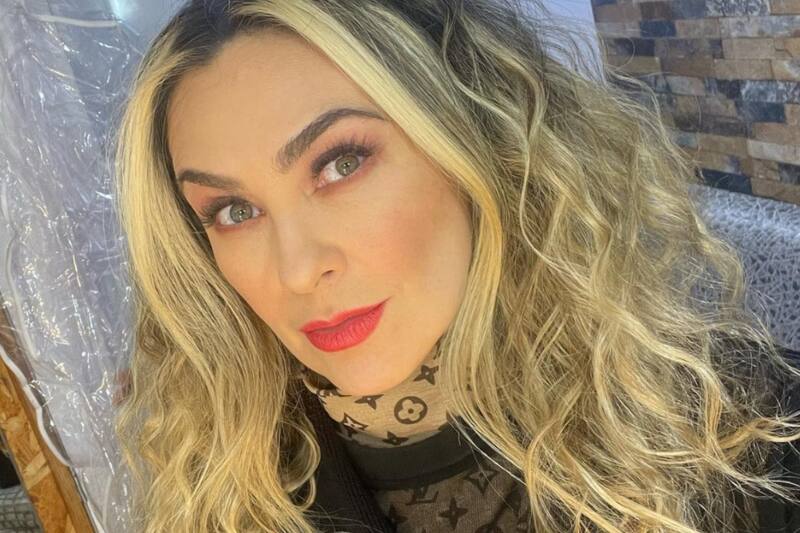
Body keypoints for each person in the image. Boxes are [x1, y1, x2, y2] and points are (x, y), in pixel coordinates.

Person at [111, 0, 800, 531]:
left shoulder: (746, 434)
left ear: (478, 143)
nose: (296, 270)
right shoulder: (216, 495)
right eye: (234, 211)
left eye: (341, 163)